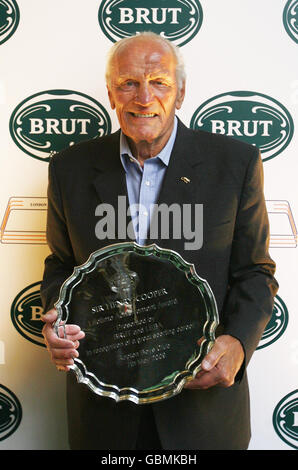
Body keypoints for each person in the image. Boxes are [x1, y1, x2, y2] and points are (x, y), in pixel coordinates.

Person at [41, 31, 278, 450]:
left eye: (159, 83)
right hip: (103, 410)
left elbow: (255, 272)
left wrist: (238, 343)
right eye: (129, 83)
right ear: (111, 92)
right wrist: (58, 317)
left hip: (202, 413)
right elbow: (62, 264)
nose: (143, 97)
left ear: (181, 92)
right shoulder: (68, 169)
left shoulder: (236, 164)